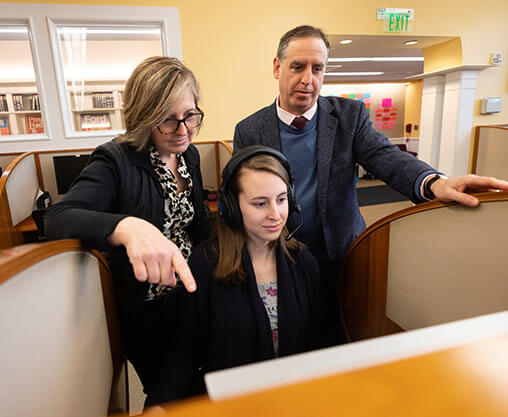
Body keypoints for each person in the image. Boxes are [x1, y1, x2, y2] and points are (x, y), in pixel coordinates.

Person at [233, 25, 508, 342]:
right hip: (282, 259)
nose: (308, 79)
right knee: (295, 341)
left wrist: (434, 183)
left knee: (346, 337)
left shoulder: (349, 116)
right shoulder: (250, 130)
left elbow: (384, 157)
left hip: (343, 255)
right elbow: (245, 196)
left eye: (318, 68)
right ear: (277, 67)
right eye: (297, 67)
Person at [45, 56, 210, 400]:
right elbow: (58, 217)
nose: (182, 130)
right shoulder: (115, 160)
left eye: (190, 116)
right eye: (167, 120)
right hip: (147, 312)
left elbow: (198, 230)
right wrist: (126, 225)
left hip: (191, 298)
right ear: (143, 117)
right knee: (169, 393)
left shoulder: (188, 156)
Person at [146, 146, 331, 406]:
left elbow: (317, 346)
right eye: (260, 203)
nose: (275, 215)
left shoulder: (304, 263)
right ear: (231, 207)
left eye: (281, 199)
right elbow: (184, 352)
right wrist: (159, 406)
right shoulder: (205, 264)